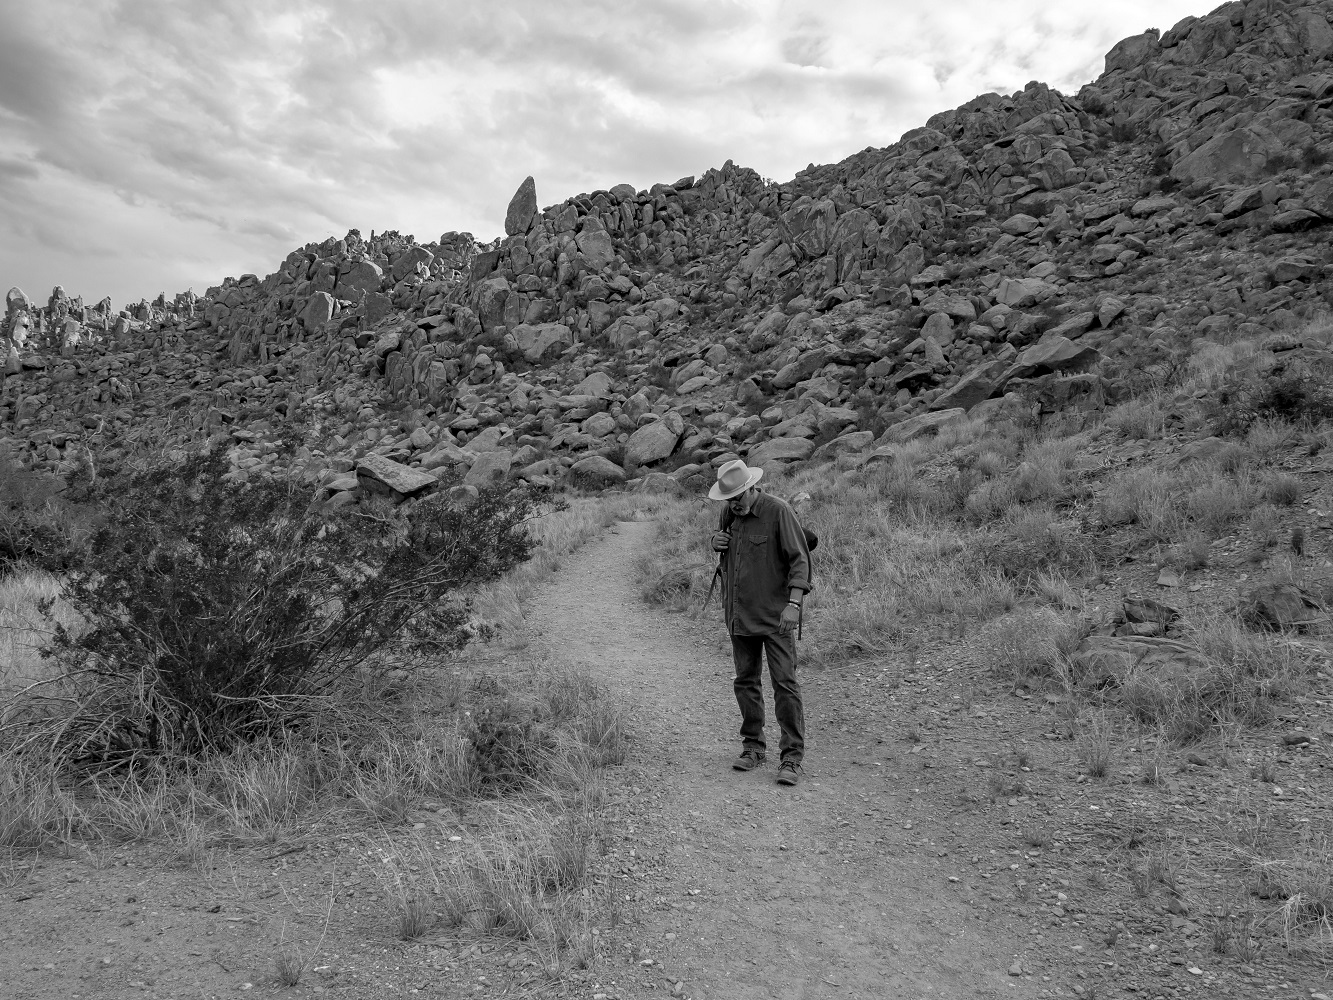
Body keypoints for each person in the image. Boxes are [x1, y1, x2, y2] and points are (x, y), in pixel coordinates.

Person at [708, 459, 812, 786]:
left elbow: (800, 560)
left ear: (752, 487)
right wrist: (715, 542)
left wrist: (794, 604)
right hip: (739, 614)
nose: (734, 505)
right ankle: (753, 747)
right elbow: (729, 553)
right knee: (745, 681)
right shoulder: (729, 513)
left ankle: (792, 757)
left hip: (776, 617)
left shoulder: (779, 511)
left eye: (738, 497)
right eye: (729, 500)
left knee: (785, 684)